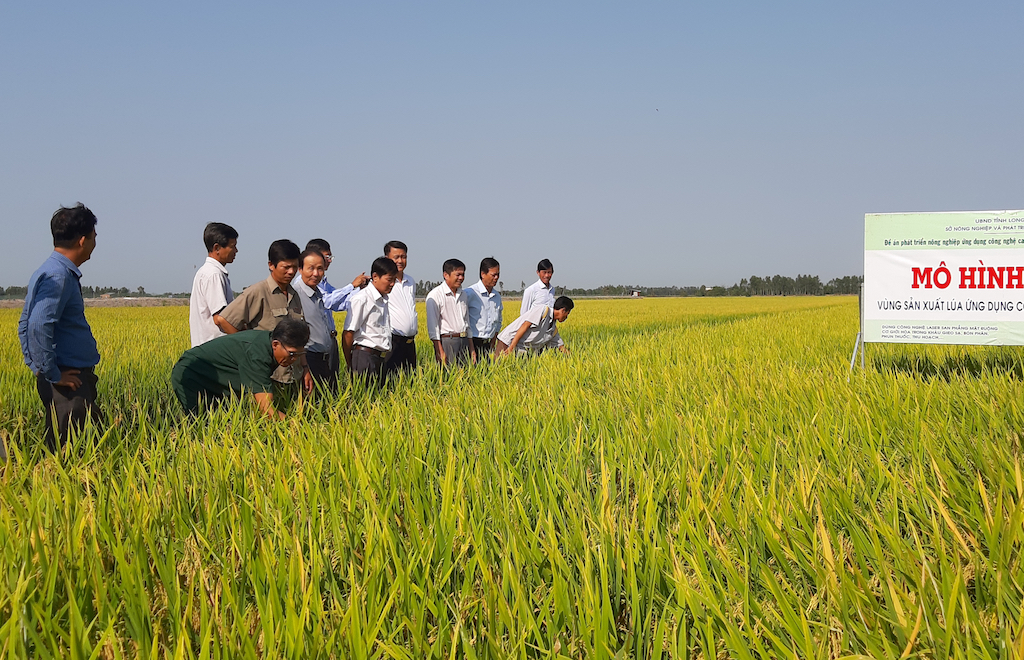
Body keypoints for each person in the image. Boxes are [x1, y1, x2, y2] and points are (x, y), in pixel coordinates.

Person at [17, 203, 102, 452]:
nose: (95, 244)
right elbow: (37, 324)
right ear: (83, 240)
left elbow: (24, 323)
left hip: (67, 378)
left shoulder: (47, 270)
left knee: (83, 443)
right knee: (70, 455)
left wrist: (36, 366)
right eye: (94, 237)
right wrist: (51, 373)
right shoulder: (58, 276)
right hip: (67, 381)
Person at [214, 239, 310, 390]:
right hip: (269, 376)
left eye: (294, 267)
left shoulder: (294, 295)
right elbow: (223, 320)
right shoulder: (258, 291)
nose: (291, 272)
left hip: (294, 376)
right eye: (286, 267)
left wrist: (305, 368)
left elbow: (298, 338)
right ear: (271, 265)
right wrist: (248, 351)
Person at [171, 318, 310, 420]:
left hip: (217, 380)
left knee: (225, 419)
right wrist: (297, 426)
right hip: (192, 375)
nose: (294, 359)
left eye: (299, 355)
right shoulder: (257, 354)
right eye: (292, 354)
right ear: (275, 344)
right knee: (200, 423)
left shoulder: (269, 345)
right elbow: (266, 410)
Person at [342, 257, 398, 383]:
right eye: (389, 280)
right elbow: (348, 333)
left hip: (380, 358)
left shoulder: (383, 299)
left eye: (394, 280)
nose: (392, 284)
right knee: (364, 399)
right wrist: (350, 362)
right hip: (364, 357)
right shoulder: (362, 299)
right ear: (375, 276)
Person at [293, 249, 339, 391]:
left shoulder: (318, 293)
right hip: (308, 360)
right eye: (311, 268)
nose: (315, 273)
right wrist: (304, 366)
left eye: (320, 269)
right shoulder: (295, 295)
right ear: (300, 269)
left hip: (323, 360)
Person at [189, 222, 238, 347]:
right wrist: (245, 341)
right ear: (217, 248)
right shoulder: (214, 275)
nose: (236, 251)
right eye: (233, 246)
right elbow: (220, 319)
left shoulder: (206, 272)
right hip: (214, 352)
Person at [426, 259, 476, 366]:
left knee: (466, 376)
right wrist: (439, 351)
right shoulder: (435, 295)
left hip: (464, 340)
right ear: (446, 275)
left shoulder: (463, 295)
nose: (461, 278)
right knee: (449, 377)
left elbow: (467, 323)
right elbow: (433, 328)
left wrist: (471, 349)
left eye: (463, 274)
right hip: (448, 342)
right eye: (458, 274)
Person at [382, 240, 418, 374]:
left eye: (403, 257)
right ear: (387, 259)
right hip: (393, 341)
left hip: (410, 342)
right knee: (391, 381)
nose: (400, 261)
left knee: (411, 380)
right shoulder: (383, 282)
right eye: (396, 257)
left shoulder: (411, 281)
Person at [304, 238, 369, 312]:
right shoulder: (304, 281)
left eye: (330, 257)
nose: (330, 260)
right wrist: (352, 286)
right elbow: (325, 302)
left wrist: (360, 289)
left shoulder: (323, 282)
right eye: (327, 257)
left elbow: (340, 303)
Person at [496, 296, 574, 356]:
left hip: (520, 348)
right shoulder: (543, 310)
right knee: (497, 366)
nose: (567, 317)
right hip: (508, 341)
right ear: (563, 310)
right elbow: (525, 325)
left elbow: (561, 347)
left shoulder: (552, 329)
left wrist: (574, 357)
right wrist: (511, 347)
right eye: (568, 313)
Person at [465, 257, 503, 360]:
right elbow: (463, 320)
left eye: (498, 274)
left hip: (489, 344)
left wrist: (494, 340)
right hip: (473, 343)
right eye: (493, 275)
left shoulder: (497, 296)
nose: (496, 278)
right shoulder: (470, 293)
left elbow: (498, 321)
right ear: (483, 274)